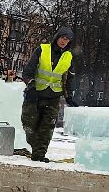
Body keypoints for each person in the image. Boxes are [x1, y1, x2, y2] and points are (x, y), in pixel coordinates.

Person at [19, 27, 75, 161]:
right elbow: (27, 71)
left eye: (67, 40)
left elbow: (68, 78)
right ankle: (35, 148)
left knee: (47, 127)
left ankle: (39, 154)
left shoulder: (69, 57)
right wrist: (31, 86)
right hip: (35, 95)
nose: (64, 41)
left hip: (53, 97)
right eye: (62, 38)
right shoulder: (42, 50)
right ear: (57, 37)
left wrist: (69, 97)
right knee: (29, 124)